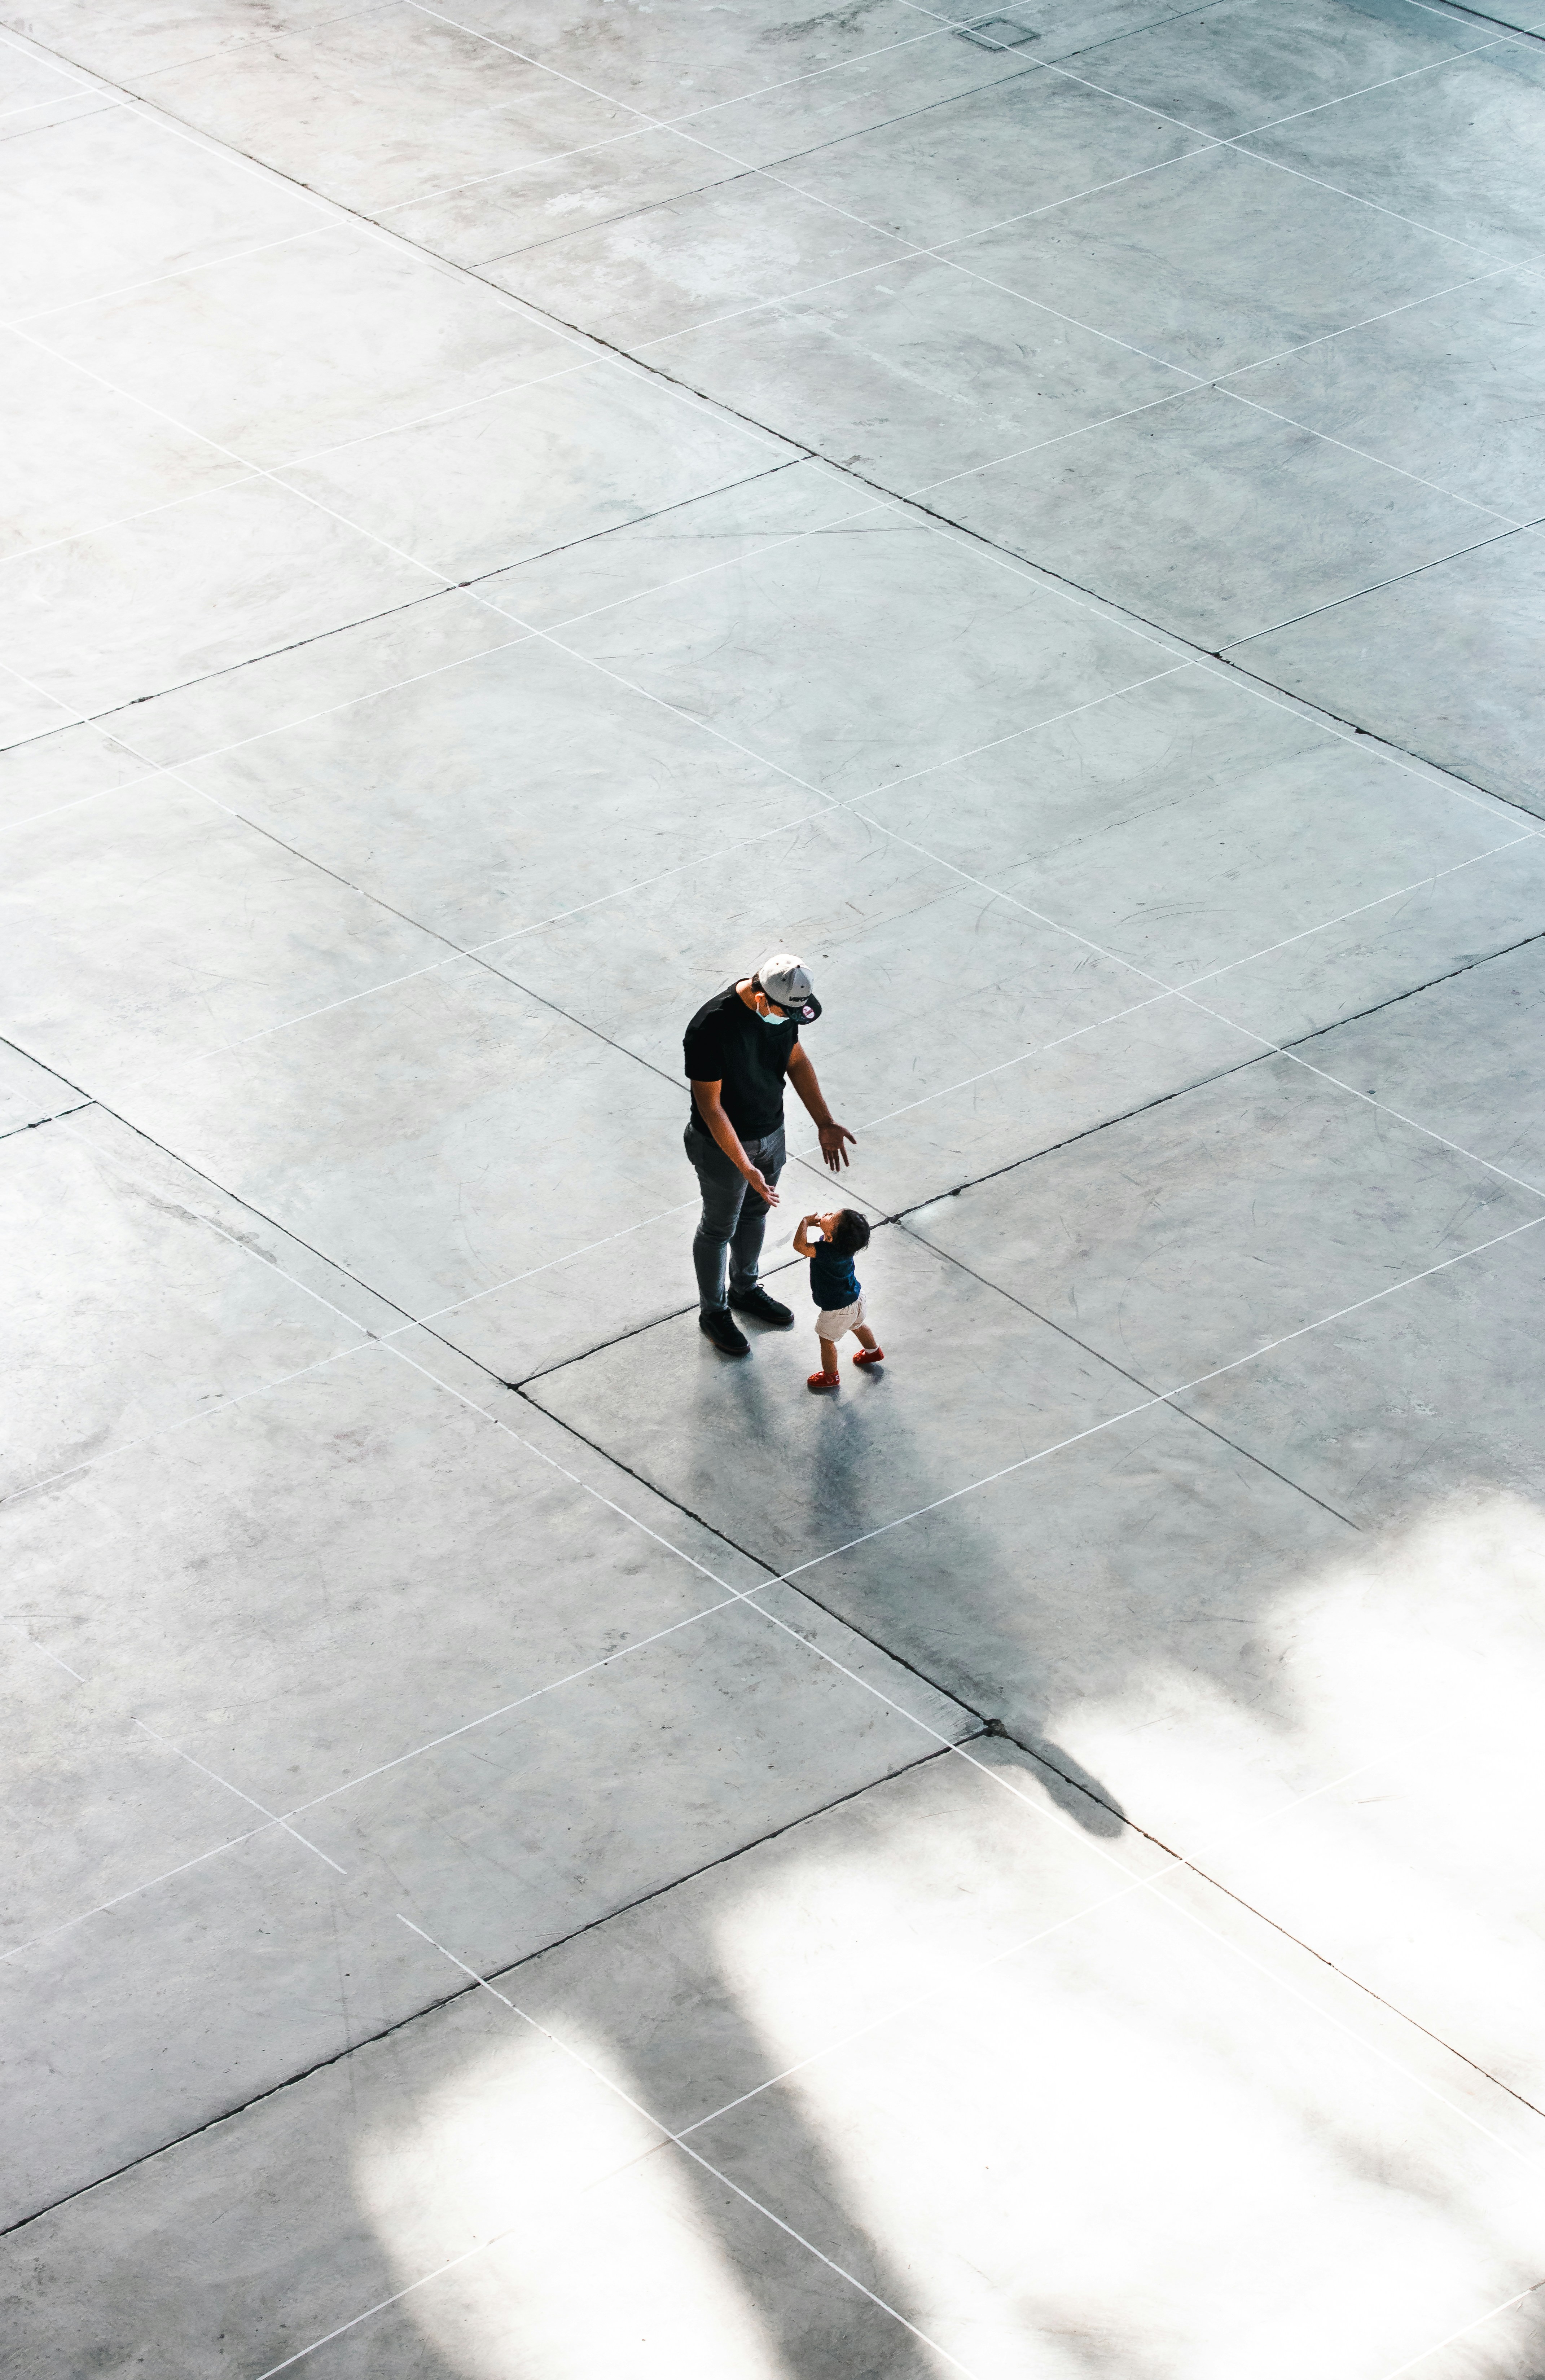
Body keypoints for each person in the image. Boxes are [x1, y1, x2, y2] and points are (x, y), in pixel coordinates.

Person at [684, 952, 855, 1357]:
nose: (789, 1020)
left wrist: (824, 1121)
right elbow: (710, 1106)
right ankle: (714, 1312)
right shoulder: (712, 1027)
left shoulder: (785, 1012)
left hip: (770, 1133)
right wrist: (743, 1165)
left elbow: (795, 1061)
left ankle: (744, 1289)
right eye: (782, 1012)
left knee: (756, 1213)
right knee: (717, 1229)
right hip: (723, 1146)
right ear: (761, 996)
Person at [794, 1207, 882, 1391]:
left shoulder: (825, 1251)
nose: (828, 1214)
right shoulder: (846, 1247)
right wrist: (827, 1230)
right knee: (857, 1325)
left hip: (838, 1308)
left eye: (832, 1217)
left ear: (832, 1237)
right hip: (857, 1297)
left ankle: (830, 1377)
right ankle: (874, 1352)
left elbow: (800, 1246)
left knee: (827, 1341)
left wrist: (805, 1223)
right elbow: (831, 1238)